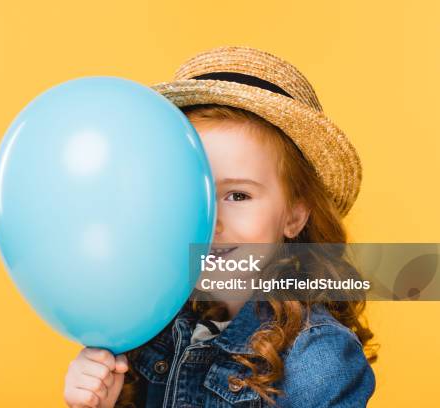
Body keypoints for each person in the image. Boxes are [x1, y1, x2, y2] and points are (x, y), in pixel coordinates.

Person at [63, 46, 377, 408]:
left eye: (238, 195)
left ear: (294, 216)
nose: (210, 221)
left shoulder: (317, 358)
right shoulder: (149, 324)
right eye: (192, 193)